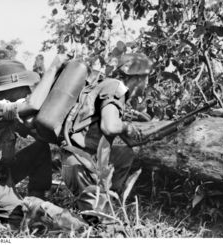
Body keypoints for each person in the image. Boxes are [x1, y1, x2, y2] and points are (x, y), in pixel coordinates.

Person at [0, 55, 81, 228]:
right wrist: (53, 67)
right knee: (36, 220)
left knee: (40, 148)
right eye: (25, 87)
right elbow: (32, 104)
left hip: (3, 175)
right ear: (12, 87)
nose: (28, 91)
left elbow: (41, 136)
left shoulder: (7, 115)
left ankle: (38, 197)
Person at [43, 53, 154, 212]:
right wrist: (126, 127)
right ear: (138, 78)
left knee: (125, 154)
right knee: (98, 224)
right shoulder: (117, 88)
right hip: (81, 166)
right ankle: (101, 202)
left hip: (73, 162)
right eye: (146, 78)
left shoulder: (103, 84)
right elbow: (109, 126)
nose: (146, 83)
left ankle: (104, 198)